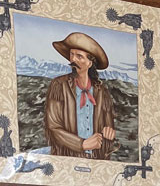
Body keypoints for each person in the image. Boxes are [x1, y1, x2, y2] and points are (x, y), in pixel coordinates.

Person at [44, 31, 118, 159]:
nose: (73, 60)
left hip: (96, 159)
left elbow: (108, 125)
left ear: (90, 63)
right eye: (71, 55)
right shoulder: (58, 85)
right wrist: (82, 144)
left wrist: (109, 132)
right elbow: (53, 127)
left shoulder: (102, 92)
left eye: (79, 56)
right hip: (67, 158)